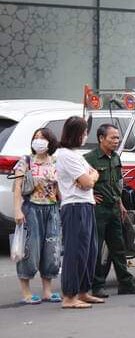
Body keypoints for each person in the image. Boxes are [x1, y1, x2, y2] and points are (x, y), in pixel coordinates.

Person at [84, 124, 135, 297]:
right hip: (98, 210)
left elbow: (117, 183)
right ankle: (97, 285)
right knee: (96, 249)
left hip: (114, 208)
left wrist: (121, 204)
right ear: (101, 138)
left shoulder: (115, 158)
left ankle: (125, 283)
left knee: (118, 247)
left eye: (117, 137)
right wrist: (90, 195)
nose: (116, 141)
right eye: (112, 137)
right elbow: (78, 181)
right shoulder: (89, 159)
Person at [55, 116, 104, 309]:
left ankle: (83, 291)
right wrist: (89, 178)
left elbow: (93, 174)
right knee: (75, 252)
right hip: (75, 206)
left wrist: (90, 177)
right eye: (84, 133)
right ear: (77, 134)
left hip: (86, 203)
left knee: (90, 251)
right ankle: (69, 296)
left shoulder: (76, 155)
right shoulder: (66, 155)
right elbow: (88, 181)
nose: (85, 136)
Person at [12, 128, 62, 304]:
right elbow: (17, 186)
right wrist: (17, 210)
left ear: (50, 142)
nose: (38, 140)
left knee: (51, 250)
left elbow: (60, 188)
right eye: (36, 137)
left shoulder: (56, 162)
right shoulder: (25, 161)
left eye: (42, 137)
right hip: (32, 209)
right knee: (30, 249)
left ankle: (47, 291)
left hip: (52, 209)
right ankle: (26, 293)